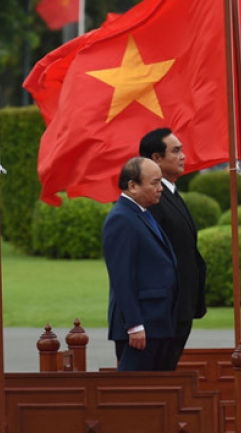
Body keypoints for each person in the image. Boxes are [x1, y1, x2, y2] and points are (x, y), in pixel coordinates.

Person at [139, 128, 208, 370]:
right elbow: (150, 256)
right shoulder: (152, 200)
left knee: (167, 374)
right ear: (156, 159)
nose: (183, 156)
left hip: (182, 305)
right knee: (156, 378)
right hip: (165, 310)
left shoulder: (172, 193)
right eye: (176, 151)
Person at [103, 157, 178, 371]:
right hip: (141, 328)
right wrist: (134, 325)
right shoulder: (121, 219)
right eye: (154, 183)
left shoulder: (140, 213)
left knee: (153, 393)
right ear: (133, 185)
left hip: (157, 322)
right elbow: (122, 278)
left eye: (160, 182)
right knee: (133, 393)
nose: (160, 188)